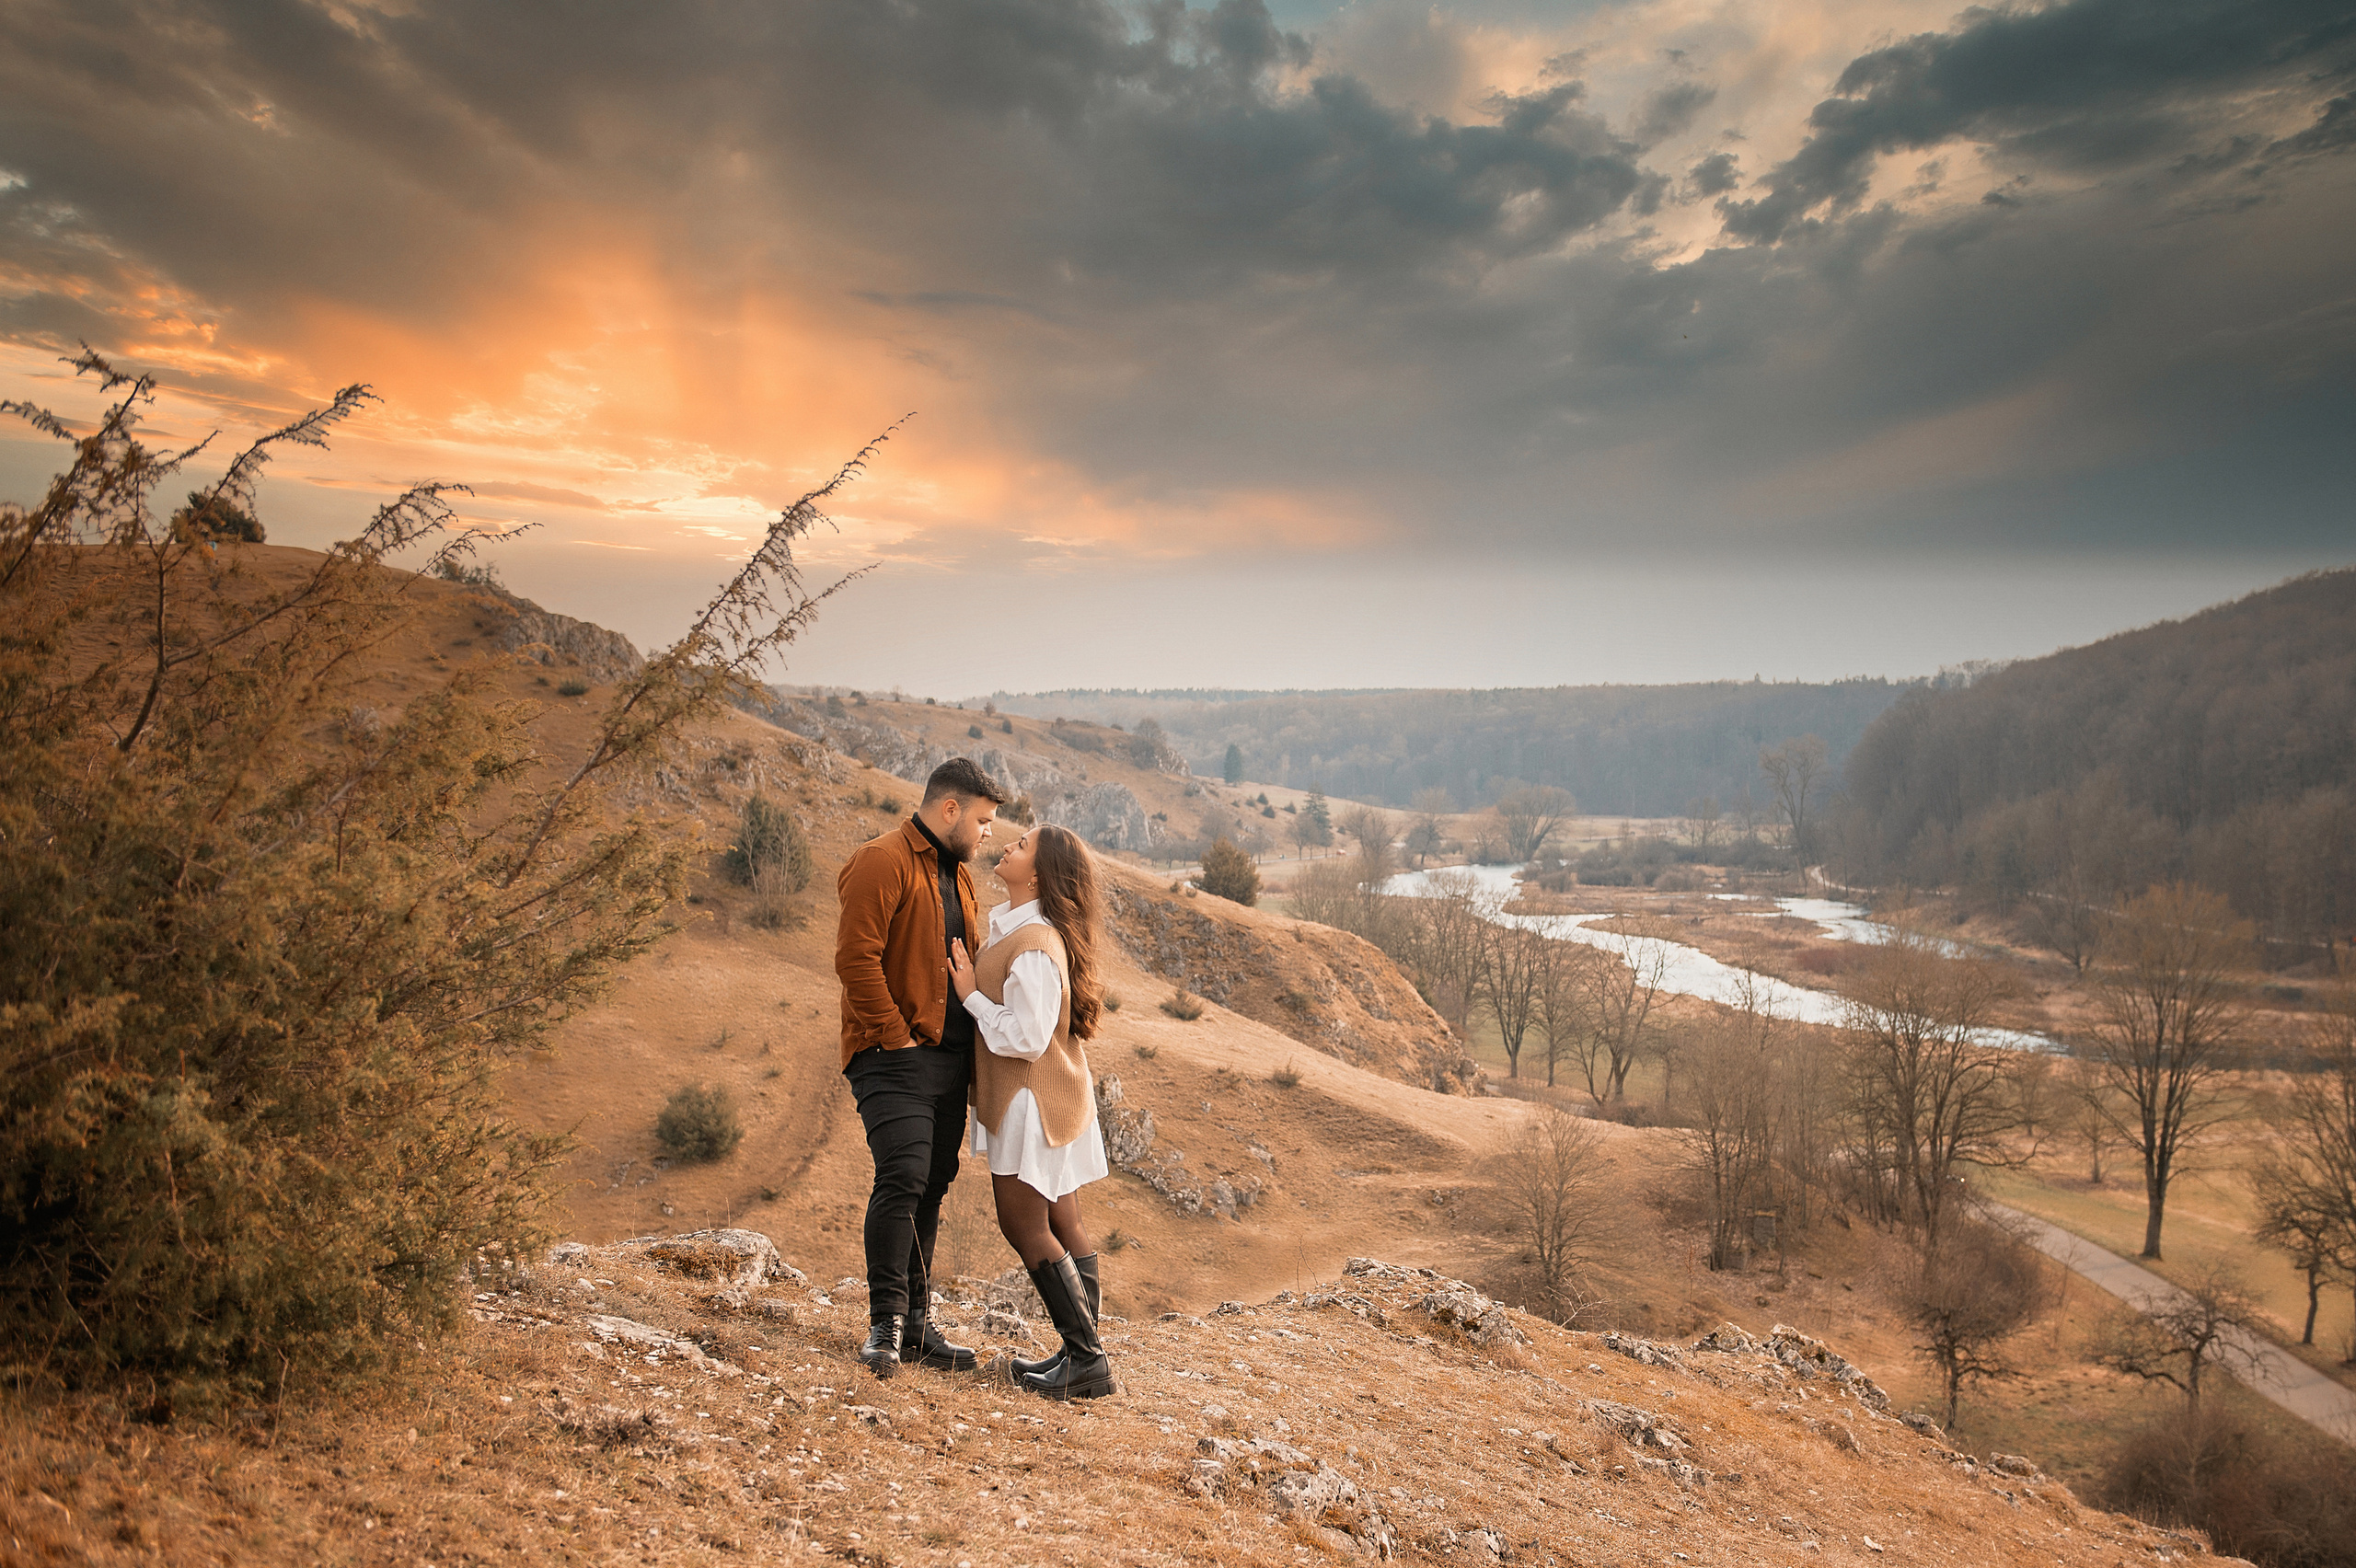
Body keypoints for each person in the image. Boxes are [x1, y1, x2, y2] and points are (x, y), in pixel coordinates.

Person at [835, 757, 1006, 1378]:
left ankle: (916, 1329)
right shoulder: (880, 860)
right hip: (891, 1057)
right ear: (951, 808)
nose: (988, 833)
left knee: (931, 1184)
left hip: (949, 1062)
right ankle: (885, 1327)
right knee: (903, 1176)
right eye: (983, 820)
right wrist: (896, 1038)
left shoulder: (959, 878)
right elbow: (856, 959)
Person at [948, 823, 1115, 1401]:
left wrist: (970, 995)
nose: (1007, 846)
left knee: (1024, 1225)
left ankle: (1087, 1359)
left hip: (1030, 1102)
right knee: (1064, 1222)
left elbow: (1027, 1036)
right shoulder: (1020, 930)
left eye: (1021, 846)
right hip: (1048, 1096)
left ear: (1039, 874)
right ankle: (1079, 1351)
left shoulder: (1037, 943)